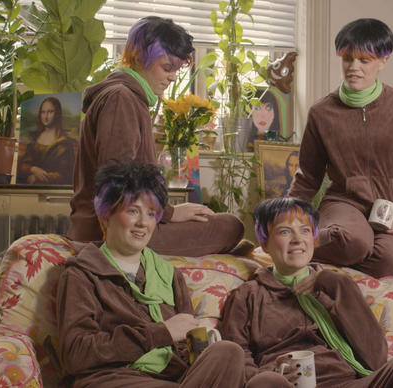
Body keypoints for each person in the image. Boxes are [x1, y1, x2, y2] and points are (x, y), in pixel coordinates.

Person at [68, 16, 246, 257]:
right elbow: (117, 180)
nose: (173, 77)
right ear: (140, 57)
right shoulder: (122, 99)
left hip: (127, 221)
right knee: (231, 226)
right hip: (113, 232)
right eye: (167, 67)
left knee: (218, 222)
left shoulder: (128, 97)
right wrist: (170, 213)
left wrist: (167, 212)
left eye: (176, 69)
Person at [56, 162, 245, 387]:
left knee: (228, 353)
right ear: (105, 214)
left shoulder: (169, 274)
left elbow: (186, 342)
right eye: (133, 211)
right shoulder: (82, 274)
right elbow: (76, 353)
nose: (143, 223)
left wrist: (198, 347)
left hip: (174, 378)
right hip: (113, 379)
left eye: (151, 213)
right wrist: (161, 332)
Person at [220, 197, 393, 388]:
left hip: (346, 381)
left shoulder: (335, 286)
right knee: (264, 384)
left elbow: (376, 358)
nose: (297, 239)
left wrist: (338, 286)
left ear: (314, 238)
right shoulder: (248, 295)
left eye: (305, 230)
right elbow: (237, 358)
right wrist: (266, 375)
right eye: (285, 231)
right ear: (265, 243)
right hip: (286, 384)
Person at [287, 18, 393, 277]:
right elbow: (308, 176)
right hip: (343, 204)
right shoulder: (322, 112)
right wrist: (286, 217)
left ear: (384, 60)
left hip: (389, 208)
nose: (353, 67)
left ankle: (329, 268)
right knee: (354, 243)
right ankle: (295, 245)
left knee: (387, 261)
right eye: (347, 59)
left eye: (364, 60)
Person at [17, 97, 77, 184]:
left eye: (50, 112)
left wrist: (41, 177)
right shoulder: (33, 139)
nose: (46, 116)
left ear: (57, 113)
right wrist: (32, 169)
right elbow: (22, 166)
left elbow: (67, 174)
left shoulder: (65, 143)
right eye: (43, 112)